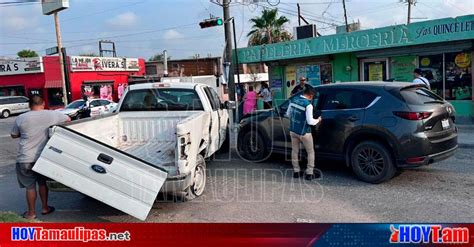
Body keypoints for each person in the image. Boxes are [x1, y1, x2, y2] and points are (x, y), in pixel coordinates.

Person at [11, 95, 70, 220]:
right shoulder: (52, 114)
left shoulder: (21, 118)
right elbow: (68, 119)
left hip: (25, 158)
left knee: (30, 186)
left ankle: (31, 213)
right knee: (42, 183)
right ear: (43, 103)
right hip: (43, 157)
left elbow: (13, 134)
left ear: (29, 105)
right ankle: (45, 208)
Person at [286, 87, 322, 180]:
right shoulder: (308, 105)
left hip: (293, 130)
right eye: (312, 97)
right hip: (304, 133)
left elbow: (288, 114)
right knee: (310, 152)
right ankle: (309, 173)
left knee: (294, 151)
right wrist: (318, 120)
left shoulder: (293, 100)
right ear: (310, 96)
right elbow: (310, 121)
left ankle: (296, 172)